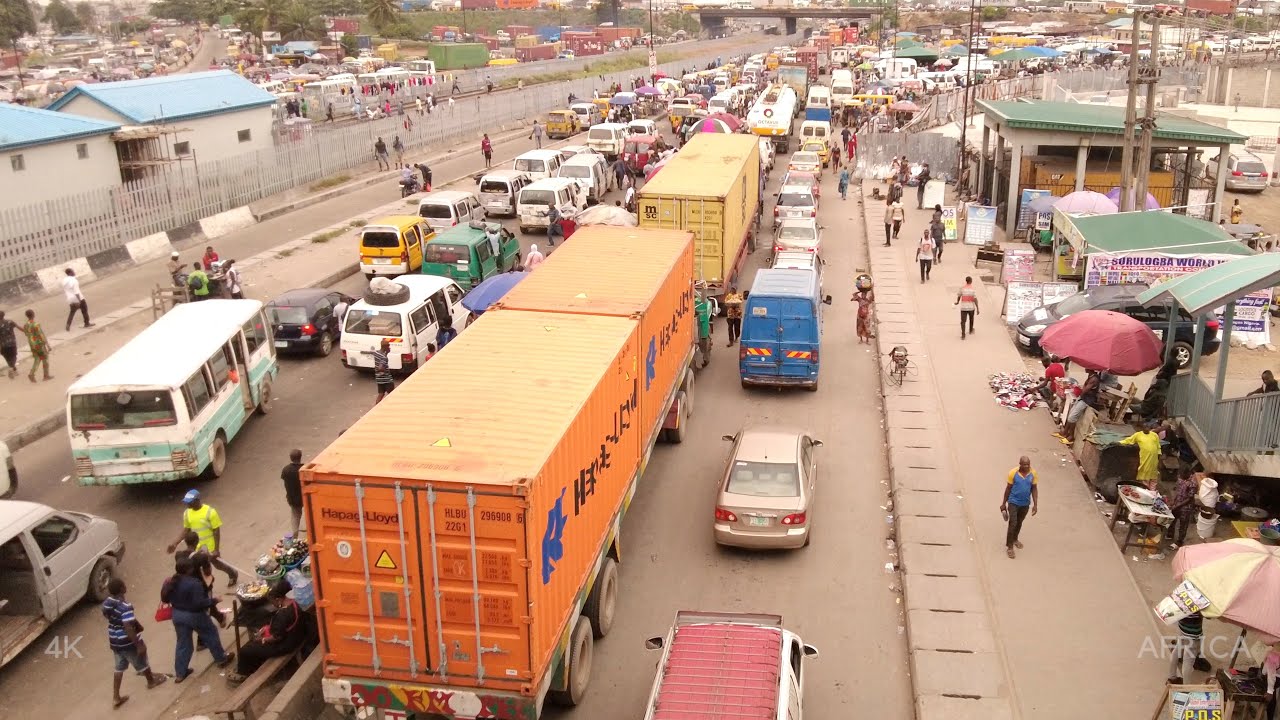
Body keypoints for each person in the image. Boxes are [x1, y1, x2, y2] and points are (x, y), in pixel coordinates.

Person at [162, 556, 233, 682]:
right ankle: (221, 659)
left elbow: (165, 599)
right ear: (189, 570)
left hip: (177, 614)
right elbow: (199, 603)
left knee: (183, 643)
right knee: (210, 633)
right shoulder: (194, 584)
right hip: (194, 615)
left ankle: (180, 673)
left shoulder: (171, 581)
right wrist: (214, 601)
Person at [226, 581, 311, 684]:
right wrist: (267, 629)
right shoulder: (294, 603)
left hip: (285, 645)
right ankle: (252, 664)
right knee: (254, 644)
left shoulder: (282, 615)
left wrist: (263, 639)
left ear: (278, 599)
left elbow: (276, 637)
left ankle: (242, 673)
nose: (272, 604)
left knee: (245, 650)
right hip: (296, 635)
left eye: (272, 601)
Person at [103, 577, 167, 707]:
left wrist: (136, 624)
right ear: (122, 589)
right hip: (127, 641)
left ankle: (116, 697)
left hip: (115, 640)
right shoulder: (125, 607)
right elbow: (127, 627)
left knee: (119, 667)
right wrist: (138, 645)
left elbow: (111, 616)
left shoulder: (107, 603)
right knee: (141, 660)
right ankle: (151, 681)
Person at [166, 490, 238, 587]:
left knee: (217, 564)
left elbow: (216, 531)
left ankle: (232, 573)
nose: (187, 504)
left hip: (209, 544)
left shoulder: (210, 512)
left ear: (197, 500)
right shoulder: (187, 513)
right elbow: (186, 530)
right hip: (196, 546)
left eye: (189, 502)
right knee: (197, 566)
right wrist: (175, 543)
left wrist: (216, 550)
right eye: (186, 502)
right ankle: (204, 586)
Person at [1000, 456, 1038, 559]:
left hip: (1025, 503)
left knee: (1019, 522)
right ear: (1020, 464)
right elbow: (1008, 489)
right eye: (1024, 464)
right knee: (1013, 523)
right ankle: (1010, 547)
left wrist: (1035, 505)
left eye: (1028, 464)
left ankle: (1015, 539)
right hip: (1013, 502)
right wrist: (1003, 504)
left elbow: (1034, 489)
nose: (1027, 466)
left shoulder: (1033, 473)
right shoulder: (1013, 473)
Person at [1118, 421, 1162, 490]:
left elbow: (1158, 446)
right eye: (1145, 427)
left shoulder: (1154, 435)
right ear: (1142, 428)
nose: (1147, 428)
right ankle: (1146, 490)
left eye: (1148, 427)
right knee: (1145, 476)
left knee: (1153, 476)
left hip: (1154, 460)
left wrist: (1159, 455)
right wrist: (1119, 442)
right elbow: (1129, 440)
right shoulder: (1138, 435)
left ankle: (1152, 492)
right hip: (1145, 458)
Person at [1064, 369, 1101, 442]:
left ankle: (1071, 436)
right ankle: (1065, 432)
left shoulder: (1094, 379)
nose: (1085, 368)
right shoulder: (1091, 376)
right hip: (1083, 398)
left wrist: (1079, 391)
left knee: (1072, 417)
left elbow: (1085, 390)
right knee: (1070, 414)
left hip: (1086, 400)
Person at [1168, 610, 1204, 684]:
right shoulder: (1199, 603)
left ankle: (1172, 678)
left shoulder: (1184, 601)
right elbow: (1209, 615)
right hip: (1193, 634)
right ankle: (1186, 687)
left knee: (1177, 650)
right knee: (1188, 662)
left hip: (1182, 627)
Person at [1168, 467, 1199, 549]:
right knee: (1172, 519)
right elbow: (1177, 491)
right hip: (1177, 503)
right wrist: (1173, 501)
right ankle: (1170, 534)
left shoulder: (1193, 484)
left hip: (1186, 507)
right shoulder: (1181, 479)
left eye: (1182, 475)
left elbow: (1189, 498)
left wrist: (1177, 505)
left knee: (1183, 525)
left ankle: (1179, 541)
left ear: (1187, 474)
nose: (1180, 476)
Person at [22, 309, 50, 383]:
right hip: (39, 344)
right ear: (33, 315)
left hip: (32, 345)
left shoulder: (25, 325)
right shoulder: (36, 324)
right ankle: (46, 376)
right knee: (45, 358)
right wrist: (47, 344)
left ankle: (32, 374)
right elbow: (41, 335)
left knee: (37, 359)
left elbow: (26, 334)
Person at [281, 449, 304, 536]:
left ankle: (295, 533)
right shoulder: (303, 470)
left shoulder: (286, 470)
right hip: (305, 496)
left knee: (295, 515)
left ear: (291, 458)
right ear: (300, 457)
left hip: (293, 498)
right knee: (311, 513)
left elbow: (284, 479)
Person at [373, 339, 394, 404]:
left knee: (381, 394)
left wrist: (386, 353)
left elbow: (381, 360)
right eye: (388, 346)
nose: (389, 347)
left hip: (379, 379)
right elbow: (380, 367)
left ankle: (376, 407)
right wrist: (385, 370)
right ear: (385, 347)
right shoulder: (384, 357)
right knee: (393, 394)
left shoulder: (376, 353)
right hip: (387, 379)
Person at [0, 310, 18, 380]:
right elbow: (18, 327)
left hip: (2, 345)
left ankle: (15, 370)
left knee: (7, 358)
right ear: (4, 315)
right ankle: (11, 368)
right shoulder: (10, 322)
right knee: (14, 356)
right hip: (11, 343)